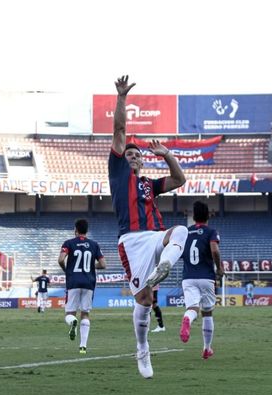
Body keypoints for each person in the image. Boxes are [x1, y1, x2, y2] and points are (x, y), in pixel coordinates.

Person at [109, 75, 187, 379]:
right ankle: (142, 348)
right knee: (144, 300)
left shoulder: (148, 185)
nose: (132, 156)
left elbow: (180, 180)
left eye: (136, 154)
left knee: (180, 231)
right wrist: (121, 97)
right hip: (131, 241)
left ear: (142, 161)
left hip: (155, 237)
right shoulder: (117, 174)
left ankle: (163, 268)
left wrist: (166, 154)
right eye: (128, 154)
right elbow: (119, 130)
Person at [180, 201, 224, 360]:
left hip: (188, 277)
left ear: (193, 216)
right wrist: (219, 267)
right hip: (206, 276)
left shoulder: (185, 233)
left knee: (192, 308)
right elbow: (214, 249)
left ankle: (187, 319)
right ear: (208, 216)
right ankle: (206, 348)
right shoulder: (211, 232)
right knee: (207, 312)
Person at [58, 218, 107, 354]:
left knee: (70, 313)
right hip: (89, 282)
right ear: (87, 230)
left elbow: (61, 259)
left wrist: (67, 269)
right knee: (85, 313)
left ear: (75, 230)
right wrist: (92, 266)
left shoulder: (69, 243)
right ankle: (83, 346)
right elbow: (103, 264)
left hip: (73, 281)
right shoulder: (94, 244)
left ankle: (73, 322)